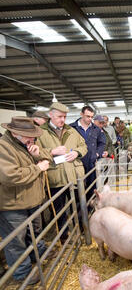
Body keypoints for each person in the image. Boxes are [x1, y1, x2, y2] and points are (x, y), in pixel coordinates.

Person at [0, 116, 51, 284]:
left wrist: (38, 154)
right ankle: (22, 272)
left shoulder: (26, 143)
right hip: (13, 205)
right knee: (16, 240)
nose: (33, 138)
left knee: (35, 232)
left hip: (33, 199)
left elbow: (48, 160)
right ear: (15, 133)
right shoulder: (3, 147)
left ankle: (39, 253)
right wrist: (36, 168)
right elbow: (10, 176)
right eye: (29, 135)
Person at [38, 102, 87, 242]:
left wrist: (77, 153)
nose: (62, 120)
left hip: (74, 175)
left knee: (78, 205)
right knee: (58, 210)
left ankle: (83, 231)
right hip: (55, 178)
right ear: (50, 115)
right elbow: (35, 152)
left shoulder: (71, 130)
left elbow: (83, 145)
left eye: (64, 117)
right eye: (59, 116)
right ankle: (64, 238)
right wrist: (51, 152)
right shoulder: (41, 133)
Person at [70, 106, 107, 200]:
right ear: (81, 114)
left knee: (92, 187)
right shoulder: (71, 128)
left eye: (91, 117)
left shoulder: (96, 129)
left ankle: (91, 207)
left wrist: (98, 153)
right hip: (76, 163)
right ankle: (79, 210)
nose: (90, 119)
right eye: (87, 116)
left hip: (91, 162)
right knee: (77, 188)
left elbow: (102, 143)